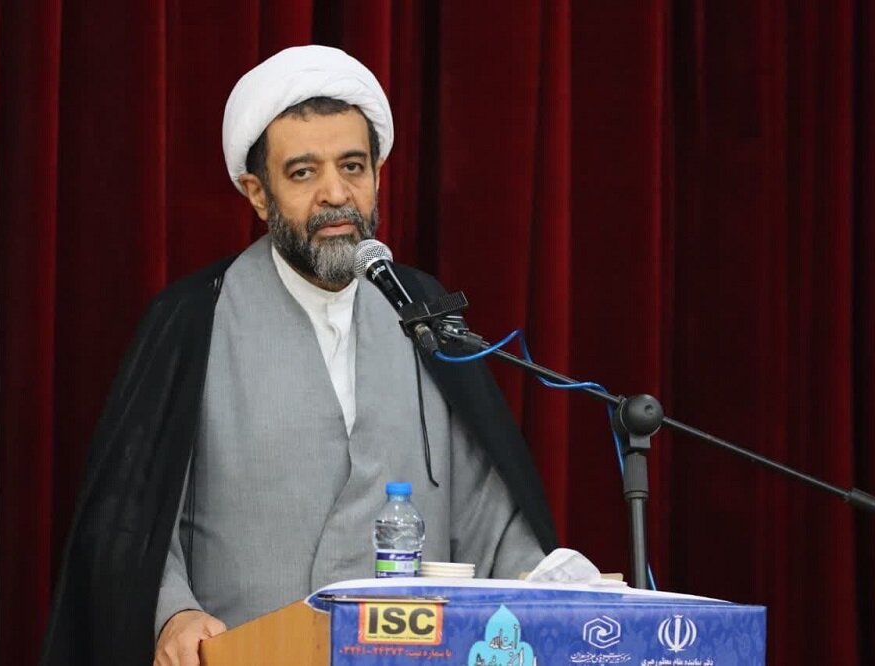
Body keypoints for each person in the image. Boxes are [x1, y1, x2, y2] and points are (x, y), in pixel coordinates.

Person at [40, 45, 557, 666]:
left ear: (377, 175)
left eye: (353, 167)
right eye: (304, 173)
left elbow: (490, 520)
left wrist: (556, 587)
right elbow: (132, 518)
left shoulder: (423, 313)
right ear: (259, 194)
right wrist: (172, 614)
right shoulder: (194, 319)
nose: (335, 194)